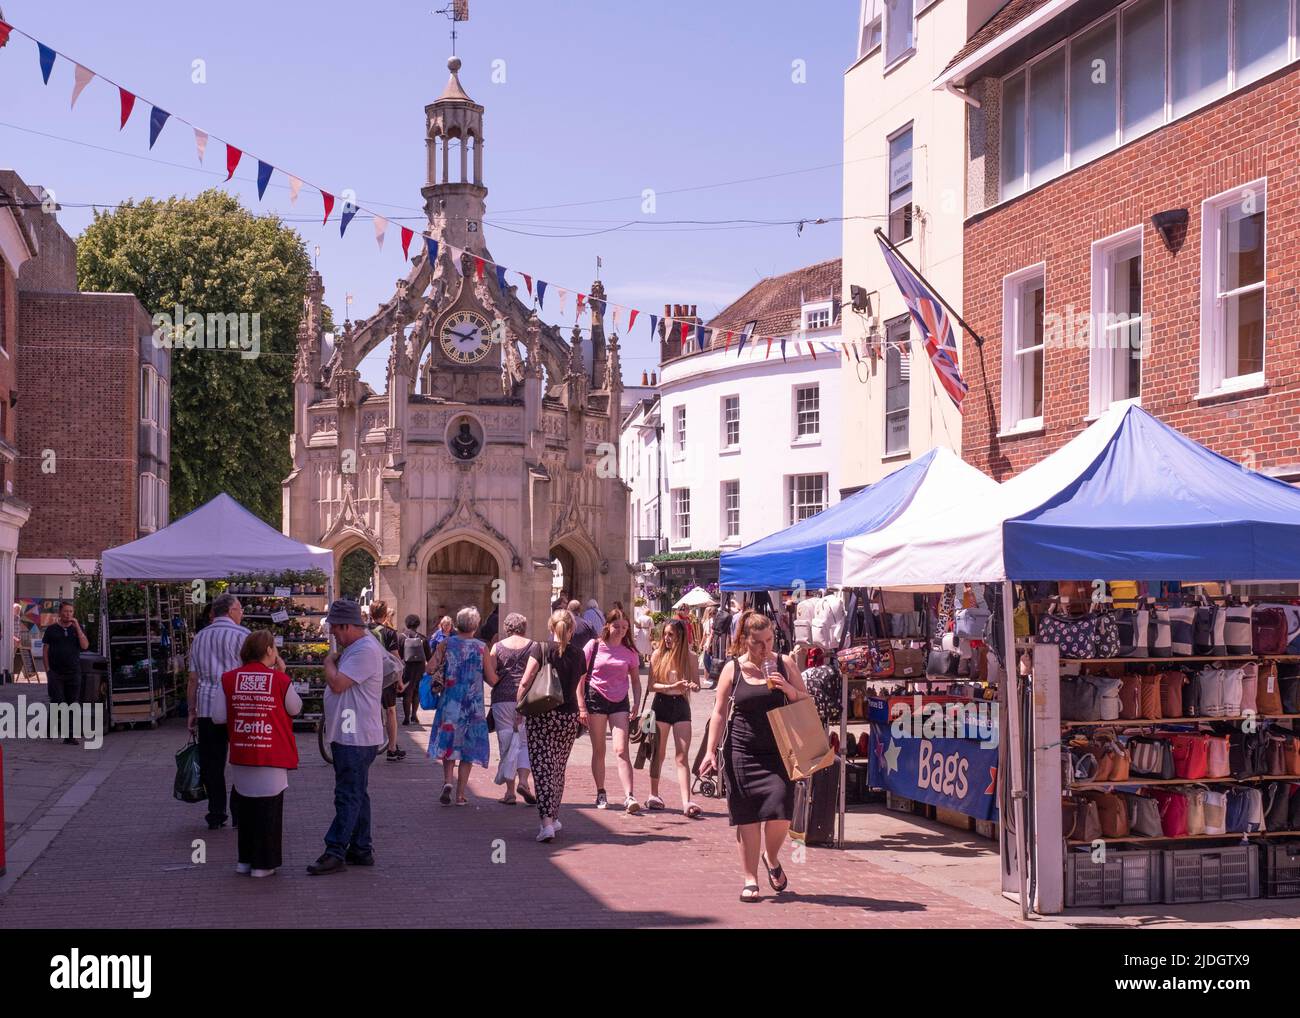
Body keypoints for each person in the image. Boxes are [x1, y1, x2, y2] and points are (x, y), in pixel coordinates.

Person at [700, 610, 810, 903]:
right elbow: (719, 712)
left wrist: (788, 689)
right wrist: (711, 752)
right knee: (747, 817)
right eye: (758, 642)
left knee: (780, 812)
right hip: (742, 750)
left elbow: (807, 699)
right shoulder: (732, 669)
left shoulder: (784, 664)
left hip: (779, 751)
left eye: (770, 640)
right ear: (744, 641)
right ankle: (750, 878)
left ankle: (771, 857)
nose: (765, 648)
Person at [213, 630, 300, 877]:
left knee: (247, 809)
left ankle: (245, 861)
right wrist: (281, 676)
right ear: (270, 651)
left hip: (242, 753)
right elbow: (295, 708)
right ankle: (264, 864)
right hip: (271, 754)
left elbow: (218, 716)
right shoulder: (279, 680)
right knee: (269, 810)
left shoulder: (228, 679)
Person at [308, 599, 386, 875]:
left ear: (347, 626)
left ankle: (335, 850)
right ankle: (361, 848)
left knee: (347, 794)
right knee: (357, 793)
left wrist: (328, 661)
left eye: (335, 629)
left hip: (356, 736)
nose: (333, 635)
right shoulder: (357, 647)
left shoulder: (363, 649)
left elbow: (338, 683)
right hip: (352, 734)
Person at [518, 608, 587, 842]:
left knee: (542, 768)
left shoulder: (541, 648)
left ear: (550, 627)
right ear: (572, 629)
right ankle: (554, 816)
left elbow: (526, 679)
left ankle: (546, 823)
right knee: (558, 767)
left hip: (542, 715)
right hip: (568, 717)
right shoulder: (579, 655)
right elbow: (579, 686)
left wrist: (519, 705)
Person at [187, 593, 249, 829]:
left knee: (213, 763)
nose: (242, 613)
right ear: (231, 610)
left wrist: (191, 710)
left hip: (206, 705)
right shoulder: (243, 635)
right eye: (240, 608)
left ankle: (216, 812)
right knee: (241, 760)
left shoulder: (200, 637)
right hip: (236, 706)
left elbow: (193, 678)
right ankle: (238, 810)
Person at [428, 606, 495, 805]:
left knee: (449, 742)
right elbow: (491, 679)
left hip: (450, 701)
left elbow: (430, 667)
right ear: (475, 626)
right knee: (468, 747)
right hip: (473, 705)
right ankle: (461, 794)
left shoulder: (447, 644)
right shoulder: (481, 647)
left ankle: (448, 781)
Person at [582, 608, 643, 814]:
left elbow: (635, 680)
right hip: (595, 698)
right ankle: (600, 791)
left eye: (624, 627)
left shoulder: (630, 652)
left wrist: (636, 702)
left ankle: (629, 795)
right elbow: (580, 676)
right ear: (607, 625)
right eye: (617, 626)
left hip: (620, 702)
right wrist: (581, 705)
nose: (620, 631)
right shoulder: (594, 646)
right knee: (599, 749)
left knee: (621, 749)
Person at [645, 618, 703, 817]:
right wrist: (671, 686)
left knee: (682, 755)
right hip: (660, 704)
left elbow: (697, 683)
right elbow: (652, 685)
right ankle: (654, 794)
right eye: (666, 634)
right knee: (657, 754)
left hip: (681, 705)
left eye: (672, 635)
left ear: (680, 636)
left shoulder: (690, 657)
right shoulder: (657, 654)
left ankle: (686, 801)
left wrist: (693, 686)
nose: (667, 638)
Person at [486, 612, 537, 805]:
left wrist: (501, 679)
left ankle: (509, 792)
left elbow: (491, 677)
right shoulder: (534, 646)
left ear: (507, 628)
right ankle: (524, 781)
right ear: (524, 627)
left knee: (506, 744)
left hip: (502, 700)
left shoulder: (497, 647)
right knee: (525, 744)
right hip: (527, 700)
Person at [42, 601, 89, 745]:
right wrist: (47, 670)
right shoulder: (51, 630)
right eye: (66, 611)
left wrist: (78, 629)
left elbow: (85, 646)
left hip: (73, 672)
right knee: (58, 700)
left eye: (71, 612)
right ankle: (51, 724)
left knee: (71, 703)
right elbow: (45, 650)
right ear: (60, 613)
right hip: (55, 672)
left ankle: (69, 736)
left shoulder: (77, 629)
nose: (68, 614)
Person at [367, 601, 406, 762]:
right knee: (390, 711)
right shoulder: (390, 633)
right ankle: (391, 748)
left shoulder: (363, 630)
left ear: (370, 613)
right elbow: (395, 657)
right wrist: (400, 679)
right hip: (385, 677)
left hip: (366, 676)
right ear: (385, 615)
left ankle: (365, 744)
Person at [400, 614, 431, 726]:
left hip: (407, 668)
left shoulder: (401, 637)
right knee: (416, 691)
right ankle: (414, 715)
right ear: (418, 624)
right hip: (419, 668)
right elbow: (429, 657)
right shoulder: (423, 638)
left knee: (407, 693)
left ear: (406, 623)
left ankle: (406, 718)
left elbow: (398, 655)